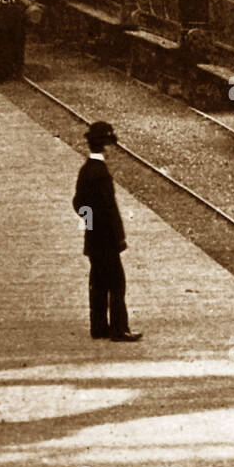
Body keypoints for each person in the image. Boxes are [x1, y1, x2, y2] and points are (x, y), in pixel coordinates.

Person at [72, 121, 141, 342]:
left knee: (98, 283)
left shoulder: (85, 170)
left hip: (93, 239)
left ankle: (99, 326)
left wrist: (90, 224)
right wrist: (117, 236)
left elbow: (78, 202)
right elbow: (110, 210)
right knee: (117, 283)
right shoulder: (101, 173)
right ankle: (119, 329)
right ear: (106, 148)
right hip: (107, 240)